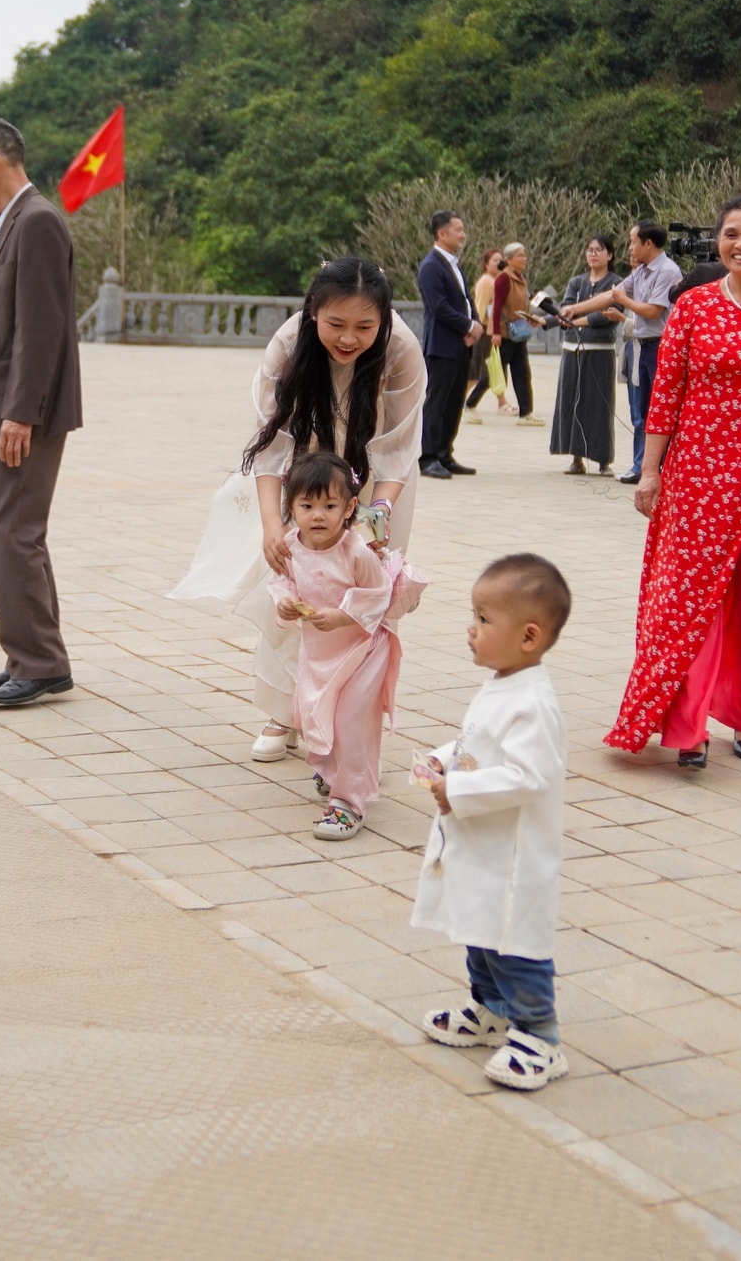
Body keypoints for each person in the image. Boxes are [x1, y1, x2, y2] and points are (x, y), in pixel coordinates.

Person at [171, 257, 424, 763]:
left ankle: (347, 717)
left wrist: (374, 513)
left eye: (363, 327)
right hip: (303, 476)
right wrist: (272, 526)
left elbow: (398, 445)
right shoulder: (289, 346)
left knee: (363, 592)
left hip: (378, 481)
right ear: (313, 313)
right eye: (336, 324)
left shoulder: (400, 350)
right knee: (291, 590)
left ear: (384, 319)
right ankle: (281, 713)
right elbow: (271, 446)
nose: (349, 339)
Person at [605, 193, 741, 767]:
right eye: (730, 233)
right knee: (690, 595)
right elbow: (665, 395)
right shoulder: (694, 307)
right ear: (718, 240)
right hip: (695, 473)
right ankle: (687, 722)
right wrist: (649, 472)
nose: (740, 244)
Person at [410, 553, 572, 1091]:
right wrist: (444, 759)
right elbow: (478, 743)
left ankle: (540, 1036)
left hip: (514, 859)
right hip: (483, 848)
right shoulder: (503, 683)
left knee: (514, 945)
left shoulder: (534, 703)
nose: (470, 629)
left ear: (529, 636)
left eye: (483, 619)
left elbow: (530, 776)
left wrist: (457, 788)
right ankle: (490, 1010)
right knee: (479, 934)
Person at [0, 118, 86, 707]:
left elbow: (41, 330)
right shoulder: (8, 224)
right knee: (14, 530)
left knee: (12, 531)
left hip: (31, 411)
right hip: (7, 404)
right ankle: (31, 656)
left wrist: (21, 414)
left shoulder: (38, 222)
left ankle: (39, 662)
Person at [269, 450, 426, 840]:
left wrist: (343, 615)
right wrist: (285, 603)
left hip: (363, 649)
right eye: (306, 505)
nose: (317, 516)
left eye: (329, 505)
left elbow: (378, 593)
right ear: (290, 507)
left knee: (351, 721)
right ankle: (333, 770)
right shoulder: (291, 546)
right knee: (316, 712)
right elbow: (282, 582)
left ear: (350, 507)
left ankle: (348, 803)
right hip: (321, 652)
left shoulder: (355, 550)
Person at [562, 222, 679, 484]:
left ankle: (656, 467)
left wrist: (623, 301)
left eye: (632, 241)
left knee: (656, 411)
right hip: (640, 347)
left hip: (658, 347)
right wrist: (575, 309)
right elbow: (610, 296)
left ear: (647, 243)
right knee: (640, 411)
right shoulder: (642, 272)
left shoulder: (667, 271)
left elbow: (652, 311)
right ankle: (641, 465)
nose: (630, 247)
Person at [550, 236, 622, 474]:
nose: (593, 254)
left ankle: (603, 460)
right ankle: (576, 457)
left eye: (599, 250)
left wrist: (578, 320)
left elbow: (607, 316)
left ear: (609, 255)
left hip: (600, 352)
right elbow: (565, 310)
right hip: (573, 351)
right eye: (590, 250)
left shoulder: (617, 284)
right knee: (572, 403)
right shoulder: (576, 282)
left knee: (599, 405)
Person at [417, 212, 477, 479]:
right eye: (458, 229)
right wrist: (467, 325)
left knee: (454, 401)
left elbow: (464, 299)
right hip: (441, 345)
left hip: (461, 344)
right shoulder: (431, 265)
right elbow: (438, 307)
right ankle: (428, 457)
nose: (463, 234)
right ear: (441, 234)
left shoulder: (453, 263)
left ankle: (444, 453)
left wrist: (474, 323)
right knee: (438, 402)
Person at [494, 243, 538, 424]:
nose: (524, 259)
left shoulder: (520, 278)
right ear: (509, 260)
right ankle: (470, 404)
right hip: (506, 334)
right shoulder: (504, 279)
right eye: (520, 255)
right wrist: (495, 332)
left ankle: (526, 413)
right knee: (493, 373)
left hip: (518, 333)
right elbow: (496, 307)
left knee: (522, 373)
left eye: (525, 255)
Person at [462, 247, 503, 421]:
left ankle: (502, 402)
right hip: (484, 331)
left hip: (490, 330)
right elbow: (479, 306)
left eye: (501, 260)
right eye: (495, 260)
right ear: (486, 265)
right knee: (477, 373)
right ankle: (461, 402)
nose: (499, 263)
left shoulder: (496, 280)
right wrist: (476, 327)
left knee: (491, 370)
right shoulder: (486, 282)